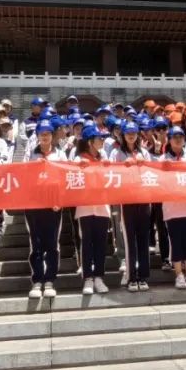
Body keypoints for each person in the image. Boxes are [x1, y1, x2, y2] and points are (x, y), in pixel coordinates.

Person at [110, 121, 153, 292]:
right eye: (128, 132)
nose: (131, 135)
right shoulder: (117, 153)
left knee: (143, 239)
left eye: (134, 132)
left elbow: (152, 174)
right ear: (122, 135)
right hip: (126, 202)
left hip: (143, 200)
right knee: (129, 241)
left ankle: (143, 276)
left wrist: (144, 165)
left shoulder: (145, 153)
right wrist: (123, 166)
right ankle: (131, 276)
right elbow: (111, 173)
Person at [26, 120, 66, 299]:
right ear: (37, 135)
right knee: (36, 243)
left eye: (48, 133)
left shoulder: (61, 155)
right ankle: (37, 280)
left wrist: (61, 200)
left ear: (52, 135)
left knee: (52, 244)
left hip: (54, 206)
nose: (45, 136)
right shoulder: (30, 154)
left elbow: (66, 180)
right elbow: (22, 176)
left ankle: (50, 279)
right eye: (41, 133)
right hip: (34, 205)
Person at [74, 124, 113, 295]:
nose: (102, 141)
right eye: (99, 138)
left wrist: (108, 167)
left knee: (100, 244)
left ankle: (99, 277)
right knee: (87, 244)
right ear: (90, 142)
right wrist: (79, 168)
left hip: (103, 207)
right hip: (85, 208)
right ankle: (88, 278)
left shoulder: (104, 158)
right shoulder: (78, 159)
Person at [161, 126, 186, 290]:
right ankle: (178, 274)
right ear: (169, 140)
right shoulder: (163, 160)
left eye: (181, 136)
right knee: (175, 242)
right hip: (172, 209)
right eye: (174, 136)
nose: (178, 139)